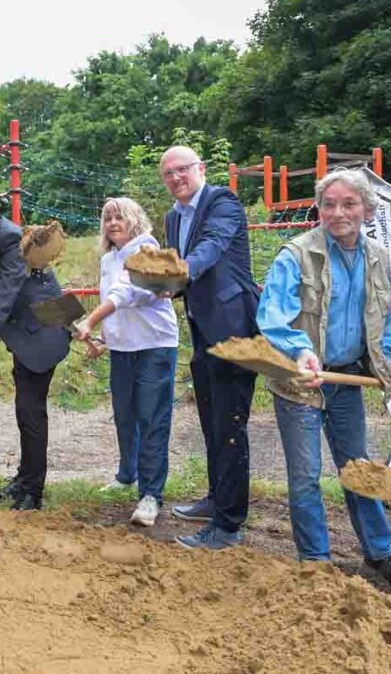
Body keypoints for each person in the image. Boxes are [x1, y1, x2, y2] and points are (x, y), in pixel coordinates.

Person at [257, 169, 391, 594]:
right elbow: (272, 316)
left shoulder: (378, 257)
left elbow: (383, 320)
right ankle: (315, 562)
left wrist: (387, 367)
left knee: (358, 470)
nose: (338, 213)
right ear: (319, 209)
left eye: (349, 204)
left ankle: (381, 552)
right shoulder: (297, 255)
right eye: (329, 204)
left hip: (348, 378)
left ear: (367, 210)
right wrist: (301, 351)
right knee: (305, 476)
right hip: (300, 381)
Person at [161, 145, 259, 550]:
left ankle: (228, 524)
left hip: (235, 330)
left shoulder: (222, 202)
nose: (175, 178)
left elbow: (212, 247)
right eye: (168, 174)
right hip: (201, 329)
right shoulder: (172, 218)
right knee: (211, 420)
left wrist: (180, 271)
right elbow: (183, 275)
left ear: (200, 168)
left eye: (182, 169)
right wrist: (164, 285)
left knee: (230, 425)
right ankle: (217, 497)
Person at [0, 183, 70, 510]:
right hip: (25, 328)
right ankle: (24, 478)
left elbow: (2, 297)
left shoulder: (9, 238)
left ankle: (33, 492)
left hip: (46, 327)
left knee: (31, 411)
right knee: (25, 409)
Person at [74, 197, 179, 526]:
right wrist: (104, 339)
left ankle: (151, 496)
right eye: (108, 219)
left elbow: (126, 294)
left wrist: (90, 320)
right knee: (125, 415)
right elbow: (113, 303)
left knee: (152, 419)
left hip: (154, 345)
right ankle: (127, 474)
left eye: (120, 217)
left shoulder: (148, 249)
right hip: (122, 349)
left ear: (135, 220)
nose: (113, 223)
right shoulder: (109, 259)